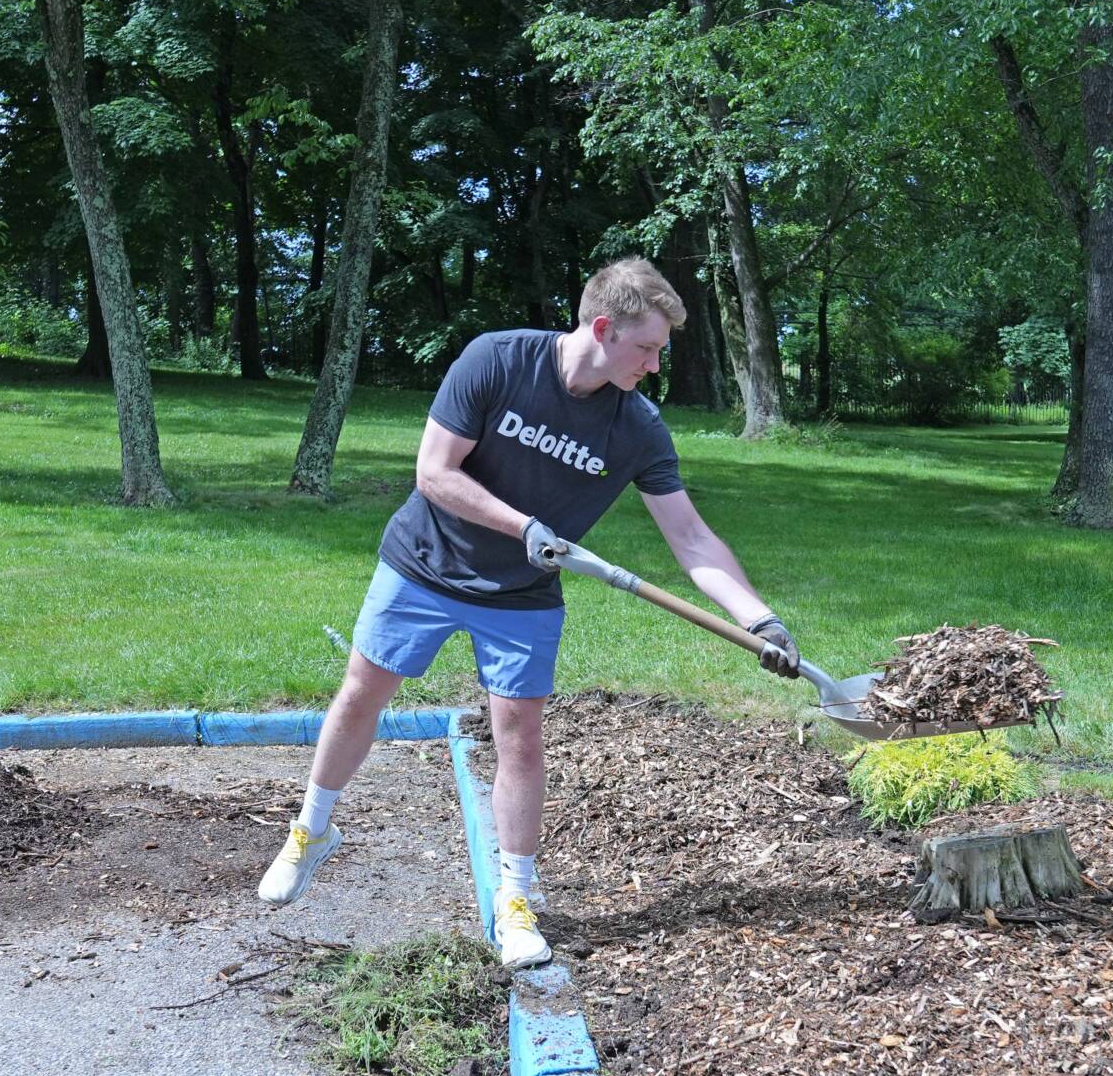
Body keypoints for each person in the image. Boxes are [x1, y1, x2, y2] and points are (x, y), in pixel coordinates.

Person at [256, 257, 801, 967]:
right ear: (602, 328)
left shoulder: (636, 427)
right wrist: (525, 527)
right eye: (647, 347)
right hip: (424, 564)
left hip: (521, 595)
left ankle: (514, 900)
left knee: (520, 737)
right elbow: (434, 472)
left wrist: (759, 619)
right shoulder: (498, 360)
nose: (655, 364)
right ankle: (311, 830)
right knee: (363, 692)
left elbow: (692, 539)